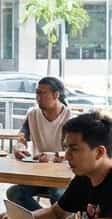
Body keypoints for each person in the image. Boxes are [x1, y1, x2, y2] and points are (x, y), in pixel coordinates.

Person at [5, 76, 72, 211]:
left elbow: (75, 151)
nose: (38, 97)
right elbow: (22, 136)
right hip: (40, 175)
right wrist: (19, 147)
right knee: (14, 193)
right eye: (37, 93)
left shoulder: (69, 118)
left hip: (63, 175)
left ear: (56, 95)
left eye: (43, 93)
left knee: (58, 194)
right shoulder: (33, 115)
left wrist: (54, 156)